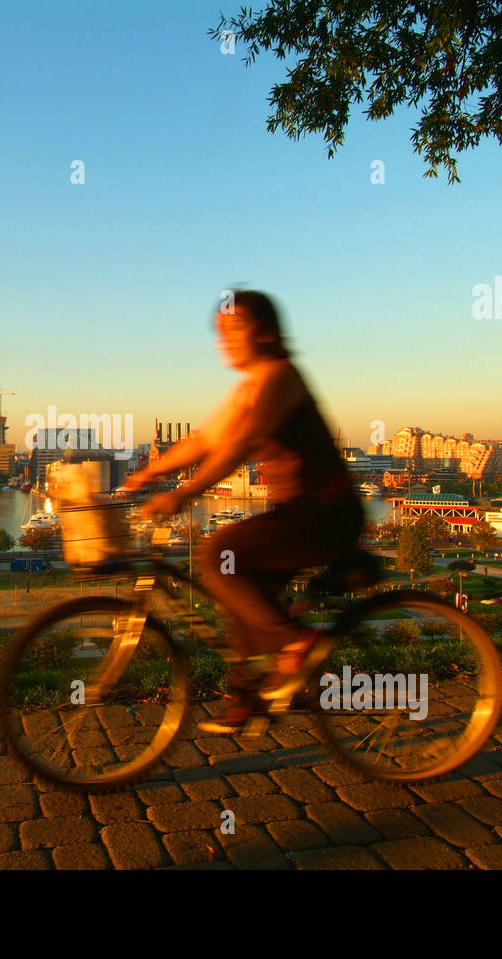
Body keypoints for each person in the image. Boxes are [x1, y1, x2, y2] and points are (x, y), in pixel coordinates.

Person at [125, 291, 364, 733]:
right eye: (220, 333)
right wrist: (146, 474)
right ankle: (251, 697)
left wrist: (185, 492)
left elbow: (240, 444)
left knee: (219, 553)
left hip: (327, 514)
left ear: (267, 332)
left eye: (235, 329)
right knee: (239, 598)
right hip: (300, 514)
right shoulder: (249, 386)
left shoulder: (279, 377)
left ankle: (299, 645)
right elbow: (206, 439)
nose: (225, 341)